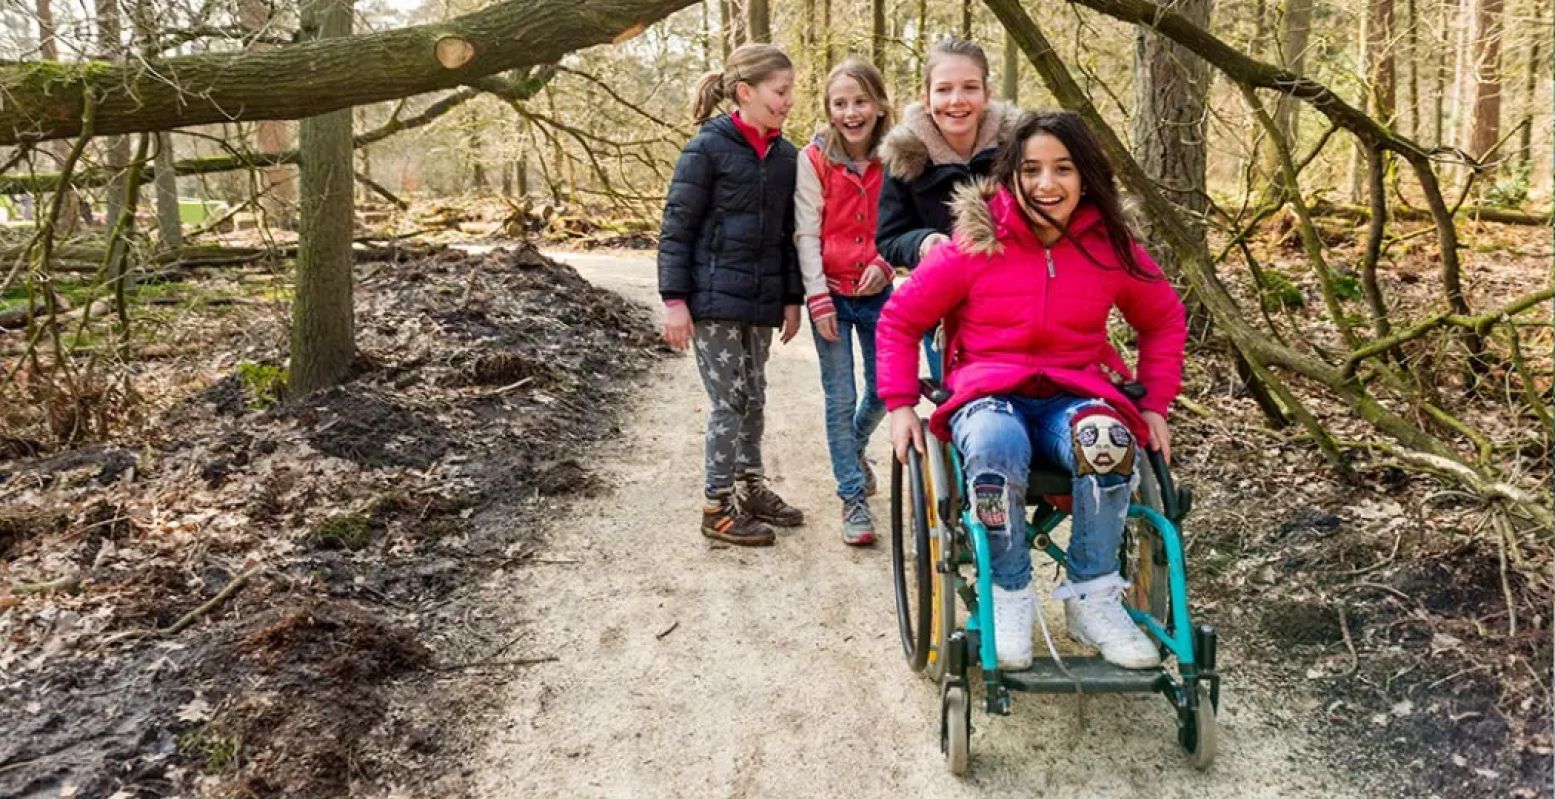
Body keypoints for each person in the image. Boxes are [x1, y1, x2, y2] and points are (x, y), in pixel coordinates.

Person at [875, 110, 1188, 671]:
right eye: (1032, 170)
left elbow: (1162, 320)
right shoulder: (973, 244)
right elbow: (899, 321)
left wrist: (1155, 403)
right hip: (986, 394)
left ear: (1086, 176)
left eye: (1063, 169)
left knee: (1110, 438)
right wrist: (899, 405)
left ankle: (1093, 593)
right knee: (994, 441)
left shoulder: (1108, 249)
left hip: (1073, 394)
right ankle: (1009, 594)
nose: (1047, 184)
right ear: (1011, 177)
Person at [658, 43, 807, 547]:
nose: (788, 101)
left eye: (791, 91)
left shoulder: (787, 156)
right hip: (712, 299)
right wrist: (675, 299)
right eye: (779, 91)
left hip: (761, 303)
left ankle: (751, 488)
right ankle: (716, 506)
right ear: (745, 92)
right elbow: (677, 226)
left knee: (756, 396)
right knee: (730, 401)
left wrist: (792, 298)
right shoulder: (706, 148)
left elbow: (789, 234)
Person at [794, 58, 896, 547]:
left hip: (879, 295)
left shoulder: (899, 157)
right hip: (829, 293)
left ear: (879, 105)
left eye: (860, 102)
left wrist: (887, 262)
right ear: (829, 110)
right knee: (839, 397)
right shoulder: (812, 159)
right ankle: (852, 497)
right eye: (840, 103)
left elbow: (901, 224)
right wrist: (817, 298)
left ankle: (851, 450)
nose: (851, 112)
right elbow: (807, 233)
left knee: (883, 389)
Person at [875, 36, 1017, 378]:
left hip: (1015, 305)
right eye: (943, 90)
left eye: (970, 87)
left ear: (987, 93)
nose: (956, 101)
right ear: (926, 99)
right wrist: (924, 242)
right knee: (957, 403)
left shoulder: (1019, 148)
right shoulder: (905, 159)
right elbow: (890, 238)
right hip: (944, 309)